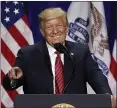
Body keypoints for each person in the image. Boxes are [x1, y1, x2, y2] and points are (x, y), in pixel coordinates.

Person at [3, 7, 116, 107]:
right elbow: (10, 85)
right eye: (49, 27)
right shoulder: (27, 54)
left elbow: (96, 76)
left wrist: (107, 96)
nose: (55, 31)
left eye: (59, 25)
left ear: (66, 27)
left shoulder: (80, 52)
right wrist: (13, 78)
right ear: (42, 32)